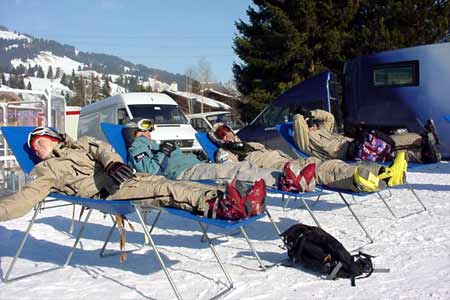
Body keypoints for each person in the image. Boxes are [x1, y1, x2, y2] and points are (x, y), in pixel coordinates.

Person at [0, 127, 267, 222]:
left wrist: (114, 164)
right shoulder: (44, 170)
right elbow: (24, 199)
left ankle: (231, 199)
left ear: (53, 137)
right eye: (32, 146)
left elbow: (103, 149)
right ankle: (223, 204)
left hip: (124, 178)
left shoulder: (82, 142)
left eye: (39, 140)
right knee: (166, 190)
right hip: (110, 194)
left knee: (168, 182)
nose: (35, 146)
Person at [209, 122, 408, 193]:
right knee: (320, 171)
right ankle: (358, 179)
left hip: (286, 161)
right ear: (218, 140)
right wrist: (230, 151)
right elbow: (228, 172)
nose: (226, 134)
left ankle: (385, 174)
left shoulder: (249, 144)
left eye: (226, 130)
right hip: (277, 172)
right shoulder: (225, 153)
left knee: (325, 164)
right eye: (221, 134)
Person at [124, 118, 308, 190]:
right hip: (183, 174)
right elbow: (151, 171)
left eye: (149, 132)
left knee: (238, 169)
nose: (149, 134)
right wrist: (163, 152)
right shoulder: (137, 148)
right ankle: (283, 180)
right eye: (144, 132)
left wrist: (198, 158)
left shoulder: (153, 146)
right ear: (134, 134)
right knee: (232, 171)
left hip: (194, 167)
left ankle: (293, 176)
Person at [293, 108, 441, 163]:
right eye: (309, 124)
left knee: (389, 145)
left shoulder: (322, 131)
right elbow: (298, 121)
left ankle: (424, 143)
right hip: (350, 152)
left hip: (356, 144)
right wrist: (299, 116)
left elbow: (329, 117)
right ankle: (425, 149)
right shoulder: (306, 142)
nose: (312, 124)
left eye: (312, 122)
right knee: (389, 148)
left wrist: (311, 114)